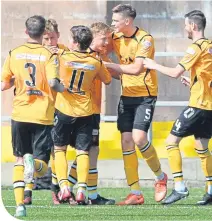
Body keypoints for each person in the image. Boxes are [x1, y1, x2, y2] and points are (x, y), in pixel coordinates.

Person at [143, 10, 212, 205]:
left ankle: (180, 186)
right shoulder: (210, 46)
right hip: (209, 106)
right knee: (202, 147)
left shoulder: (196, 47)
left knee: (171, 142)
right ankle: (210, 190)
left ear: (193, 26)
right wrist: (192, 83)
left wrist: (153, 65)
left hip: (197, 106)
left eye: (186, 25)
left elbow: (174, 72)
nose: (185, 29)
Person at [104, 4, 168, 205]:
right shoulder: (114, 37)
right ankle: (135, 192)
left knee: (139, 138)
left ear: (126, 22)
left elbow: (137, 68)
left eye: (115, 21)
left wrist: (105, 65)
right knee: (126, 141)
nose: (112, 24)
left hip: (145, 95)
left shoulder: (145, 39)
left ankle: (160, 177)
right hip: (126, 95)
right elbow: (97, 46)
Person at [1, 15, 64, 217]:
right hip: (42, 115)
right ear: (43, 33)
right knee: (41, 165)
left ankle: (19, 206)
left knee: (19, 160)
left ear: (26, 32)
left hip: (20, 114)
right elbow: (54, 83)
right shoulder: (49, 55)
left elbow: (4, 84)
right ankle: (33, 164)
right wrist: (64, 88)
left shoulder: (14, 53)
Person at [52, 25, 111, 205]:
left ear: (75, 42)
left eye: (70, 38)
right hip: (86, 111)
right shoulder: (95, 62)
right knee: (83, 152)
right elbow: (107, 80)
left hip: (64, 109)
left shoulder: (62, 57)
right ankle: (81, 190)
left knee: (59, 149)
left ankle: (64, 188)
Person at [67, 22, 115, 205]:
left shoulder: (92, 56)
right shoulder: (93, 59)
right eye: (103, 39)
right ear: (92, 37)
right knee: (91, 151)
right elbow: (111, 78)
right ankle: (91, 195)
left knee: (84, 152)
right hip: (88, 111)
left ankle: (67, 189)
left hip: (81, 110)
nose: (106, 43)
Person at [23, 18, 69, 206]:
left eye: (52, 38)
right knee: (40, 153)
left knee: (58, 152)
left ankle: (57, 190)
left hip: (64, 108)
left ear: (58, 36)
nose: (49, 43)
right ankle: (28, 190)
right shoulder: (39, 55)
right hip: (43, 109)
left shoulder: (66, 52)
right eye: (46, 39)